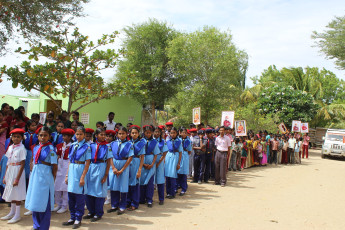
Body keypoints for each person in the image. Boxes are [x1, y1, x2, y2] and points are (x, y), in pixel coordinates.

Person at [25, 127, 58, 230]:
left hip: (45, 175)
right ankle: (36, 224)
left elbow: (54, 166)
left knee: (44, 202)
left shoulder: (51, 149)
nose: (43, 137)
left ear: (49, 137)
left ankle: (43, 226)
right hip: (35, 175)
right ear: (37, 136)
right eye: (41, 135)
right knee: (35, 200)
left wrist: (52, 178)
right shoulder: (36, 147)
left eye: (45, 135)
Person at [63, 126, 91, 229]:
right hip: (72, 170)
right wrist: (67, 175)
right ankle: (72, 217)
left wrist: (83, 177)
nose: (78, 136)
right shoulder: (73, 145)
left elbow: (87, 163)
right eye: (77, 134)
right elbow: (70, 161)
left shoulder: (87, 147)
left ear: (84, 135)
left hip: (80, 169)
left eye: (80, 134)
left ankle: (78, 219)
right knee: (71, 196)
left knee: (79, 197)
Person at [84, 128, 111, 222]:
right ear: (96, 135)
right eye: (101, 134)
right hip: (91, 167)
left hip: (101, 167)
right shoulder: (91, 146)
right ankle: (91, 211)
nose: (103, 136)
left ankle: (98, 213)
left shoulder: (107, 147)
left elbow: (109, 161)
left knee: (99, 191)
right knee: (89, 190)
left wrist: (106, 175)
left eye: (104, 135)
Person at [0, 129, 27, 224]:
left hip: (17, 171)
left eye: (18, 136)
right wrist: (5, 176)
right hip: (11, 170)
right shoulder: (11, 147)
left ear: (21, 138)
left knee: (17, 192)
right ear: (11, 137)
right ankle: (12, 212)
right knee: (11, 192)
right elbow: (8, 162)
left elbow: (23, 164)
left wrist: (17, 178)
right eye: (14, 136)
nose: (16, 138)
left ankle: (17, 214)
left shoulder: (21, 148)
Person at [107, 127, 133, 215]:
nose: (121, 135)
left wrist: (122, 169)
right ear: (117, 134)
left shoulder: (129, 144)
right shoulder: (113, 143)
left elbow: (130, 158)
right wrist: (113, 167)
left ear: (126, 134)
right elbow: (110, 156)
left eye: (123, 133)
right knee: (114, 186)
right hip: (114, 166)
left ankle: (122, 206)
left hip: (124, 166)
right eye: (120, 134)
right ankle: (114, 205)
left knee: (123, 186)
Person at [54, 128, 74, 214]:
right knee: (57, 186)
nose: (64, 137)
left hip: (67, 165)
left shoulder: (73, 146)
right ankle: (58, 203)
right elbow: (57, 155)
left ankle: (65, 205)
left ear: (70, 137)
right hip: (59, 165)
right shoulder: (59, 146)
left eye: (66, 136)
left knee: (65, 187)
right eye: (63, 135)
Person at [140, 125, 159, 207]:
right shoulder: (141, 141)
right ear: (144, 133)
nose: (148, 134)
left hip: (151, 164)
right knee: (142, 181)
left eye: (149, 133)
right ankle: (141, 198)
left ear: (151, 133)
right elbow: (140, 153)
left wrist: (152, 164)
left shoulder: (154, 142)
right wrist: (143, 164)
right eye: (146, 133)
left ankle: (149, 200)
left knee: (150, 183)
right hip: (142, 163)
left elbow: (156, 154)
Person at [127, 125, 145, 211]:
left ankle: (135, 202)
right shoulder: (128, 143)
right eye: (132, 133)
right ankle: (128, 201)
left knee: (135, 183)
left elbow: (142, 157)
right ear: (130, 134)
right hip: (128, 163)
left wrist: (140, 169)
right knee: (128, 183)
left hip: (136, 162)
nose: (134, 134)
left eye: (136, 133)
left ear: (138, 134)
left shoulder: (141, 143)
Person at [165, 127, 182, 198]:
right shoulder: (168, 141)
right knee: (167, 175)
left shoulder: (179, 141)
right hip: (168, 157)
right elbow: (165, 150)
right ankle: (168, 192)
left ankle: (173, 192)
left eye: (174, 133)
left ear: (176, 133)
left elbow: (180, 152)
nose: (172, 134)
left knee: (173, 175)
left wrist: (178, 163)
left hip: (175, 157)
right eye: (171, 133)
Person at [154, 126, 168, 204]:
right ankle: (149, 199)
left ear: (160, 133)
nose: (156, 133)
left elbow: (164, 153)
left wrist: (159, 162)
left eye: (158, 132)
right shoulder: (151, 141)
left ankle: (161, 199)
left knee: (160, 180)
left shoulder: (163, 141)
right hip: (152, 160)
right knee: (151, 180)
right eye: (155, 131)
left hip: (160, 160)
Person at [177, 127, 192, 195]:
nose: (184, 134)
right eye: (182, 132)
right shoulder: (178, 140)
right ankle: (177, 186)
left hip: (185, 156)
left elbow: (189, 151)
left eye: (185, 133)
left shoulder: (188, 141)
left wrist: (185, 152)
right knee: (178, 172)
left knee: (183, 173)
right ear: (180, 133)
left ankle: (184, 188)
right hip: (178, 156)